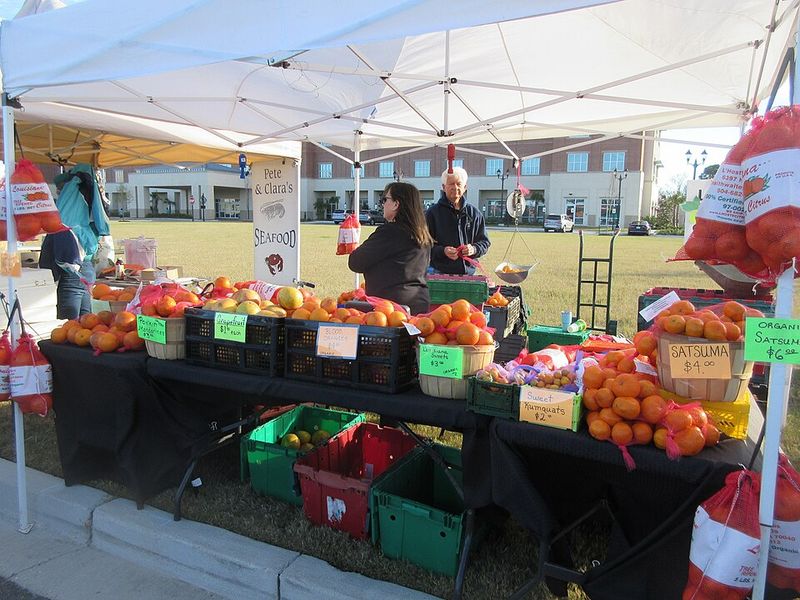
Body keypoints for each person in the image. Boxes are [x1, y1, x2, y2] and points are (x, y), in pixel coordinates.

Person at [348, 182, 433, 315]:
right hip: (419, 304)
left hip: (391, 309)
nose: (382, 204)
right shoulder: (422, 235)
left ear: (396, 204)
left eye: (385, 199)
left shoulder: (389, 232)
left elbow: (355, 262)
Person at [39, 165, 111, 319]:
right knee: (85, 323)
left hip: (72, 268)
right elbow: (100, 226)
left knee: (69, 325)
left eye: (61, 187)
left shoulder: (74, 195)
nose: (58, 190)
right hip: (85, 266)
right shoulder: (88, 196)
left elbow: (63, 229)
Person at [425, 167, 490, 275]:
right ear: (443, 187)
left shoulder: (474, 213)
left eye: (458, 184)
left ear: (465, 187)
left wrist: (473, 249)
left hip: (468, 273)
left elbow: (484, 242)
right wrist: (443, 251)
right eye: (451, 184)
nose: (455, 187)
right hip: (438, 272)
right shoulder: (432, 213)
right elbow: (423, 245)